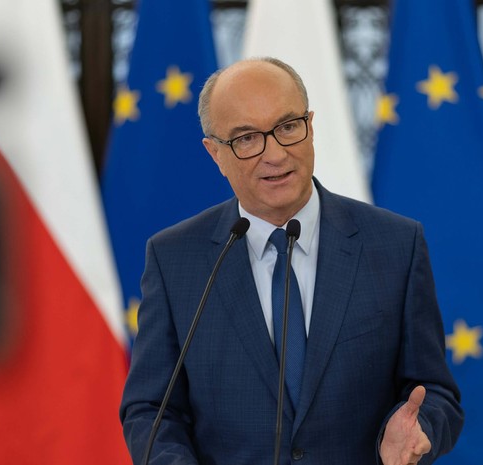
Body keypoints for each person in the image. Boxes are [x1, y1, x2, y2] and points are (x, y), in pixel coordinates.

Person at [120, 57, 463, 465]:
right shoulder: (175, 258)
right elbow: (152, 411)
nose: (276, 154)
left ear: (310, 126)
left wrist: (418, 428)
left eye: (287, 127)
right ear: (215, 154)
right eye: (247, 138)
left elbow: (434, 392)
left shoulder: (395, 244)